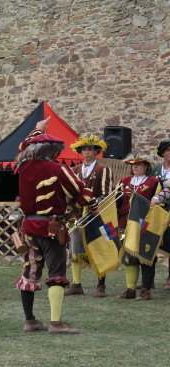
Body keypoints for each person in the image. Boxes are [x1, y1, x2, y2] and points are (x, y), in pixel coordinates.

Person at [15, 117, 96, 334]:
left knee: (30, 269)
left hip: (29, 227)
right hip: (51, 228)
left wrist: (36, 130)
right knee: (57, 271)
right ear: (52, 151)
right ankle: (55, 322)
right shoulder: (58, 169)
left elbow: (24, 146)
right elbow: (79, 191)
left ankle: (30, 320)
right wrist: (93, 203)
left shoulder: (23, 166)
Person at [65, 134, 113, 297]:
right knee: (75, 250)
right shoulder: (74, 170)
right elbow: (69, 192)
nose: (87, 152)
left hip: (95, 215)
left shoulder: (103, 169)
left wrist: (92, 205)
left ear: (96, 151)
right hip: (77, 216)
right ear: (81, 152)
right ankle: (76, 284)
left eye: (90, 149)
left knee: (99, 248)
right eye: (84, 149)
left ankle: (101, 285)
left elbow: (106, 194)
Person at [115, 153, 161, 301]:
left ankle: (146, 291)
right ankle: (130, 290)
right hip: (125, 222)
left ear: (146, 166)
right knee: (129, 257)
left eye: (139, 164)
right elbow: (117, 200)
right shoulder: (124, 181)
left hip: (144, 224)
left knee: (145, 256)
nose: (135, 166)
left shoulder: (153, 182)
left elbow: (158, 203)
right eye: (132, 164)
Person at [150, 139, 170, 290]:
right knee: (152, 243)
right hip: (156, 212)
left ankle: (169, 278)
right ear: (162, 152)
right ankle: (149, 278)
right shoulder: (155, 169)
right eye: (168, 150)